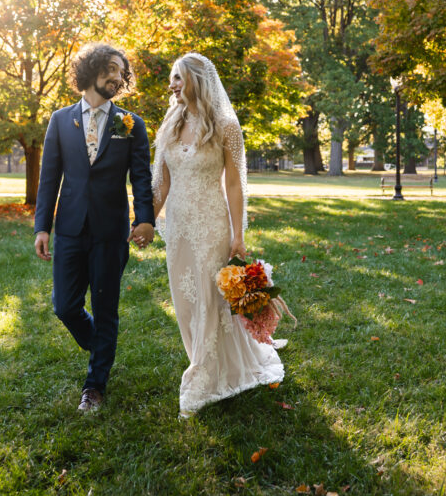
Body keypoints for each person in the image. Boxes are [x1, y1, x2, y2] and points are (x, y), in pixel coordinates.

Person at [152, 53, 284, 418]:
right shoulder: (170, 124)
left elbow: (234, 185)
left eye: (178, 78)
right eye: (172, 80)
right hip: (178, 227)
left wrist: (237, 235)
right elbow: (161, 182)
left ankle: (203, 376)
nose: (172, 86)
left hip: (212, 223)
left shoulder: (226, 125)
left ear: (197, 79)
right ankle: (201, 356)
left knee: (210, 297)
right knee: (185, 298)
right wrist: (144, 220)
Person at [34, 42, 155, 413]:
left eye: (122, 71)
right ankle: (102, 345)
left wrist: (145, 218)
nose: (117, 77)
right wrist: (43, 227)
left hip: (109, 231)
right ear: (91, 70)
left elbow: (140, 176)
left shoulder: (130, 123)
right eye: (111, 69)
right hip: (70, 227)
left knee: (106, 308)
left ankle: (95, 384)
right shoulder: (59, 120)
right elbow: (49, 177)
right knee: (64, 306)